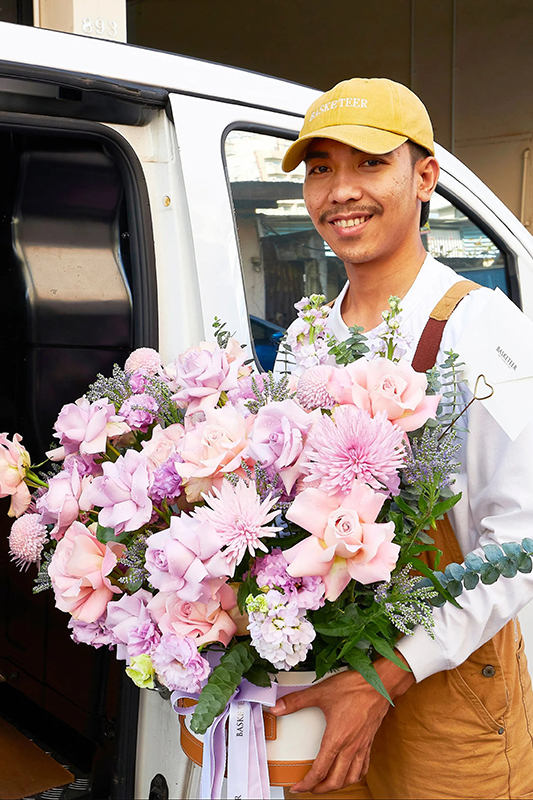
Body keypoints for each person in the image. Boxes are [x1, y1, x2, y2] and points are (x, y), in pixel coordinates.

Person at [270, 78, 533, 799]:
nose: (339, 190)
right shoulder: (305, 338)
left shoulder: (488, 331)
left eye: (367, 163)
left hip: (450, 685)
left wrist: (383, 676)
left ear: (424, 177)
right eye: (320, 167)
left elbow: (517, 546)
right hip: (324, 669)